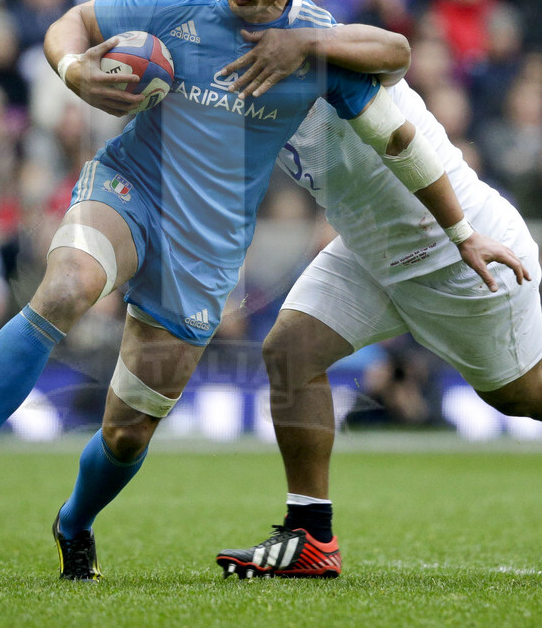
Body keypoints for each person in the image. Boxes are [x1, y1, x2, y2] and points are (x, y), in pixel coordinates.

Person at [0, 0, 521, 582]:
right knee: (68, 287)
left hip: (208, 248)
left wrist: (461, 232)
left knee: (125, 431)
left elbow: (399, 119)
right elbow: (73, 23)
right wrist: (74, 70)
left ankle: (74, 522)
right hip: (131, 186)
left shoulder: (320, 47)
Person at [212, 29, 542, 579]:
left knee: (521, 398)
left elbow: (398, 52)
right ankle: (310, 537)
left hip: (459, 249)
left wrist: (308, 43)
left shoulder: (309, 31)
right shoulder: (225, 66)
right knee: (290, 351)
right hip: (370, 250)